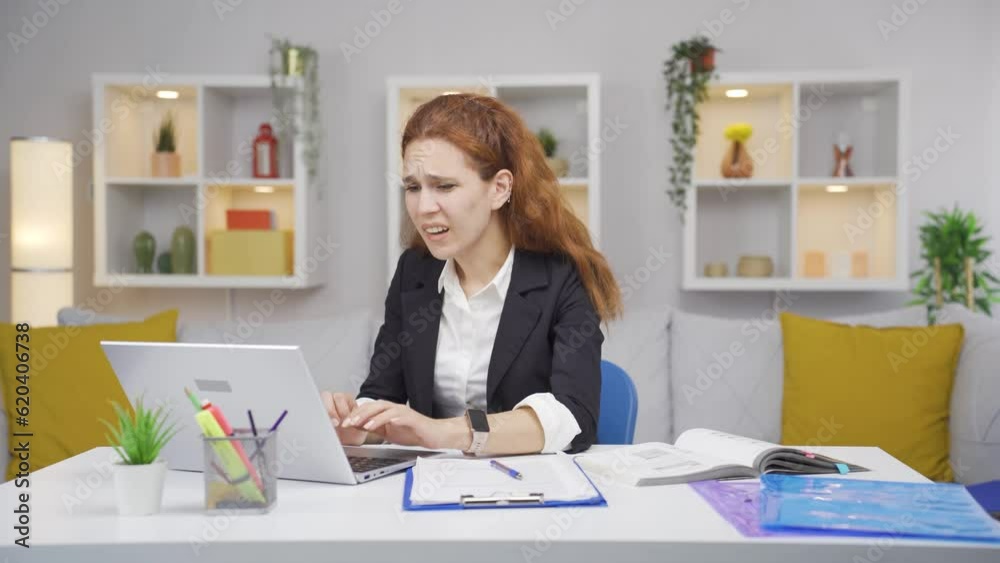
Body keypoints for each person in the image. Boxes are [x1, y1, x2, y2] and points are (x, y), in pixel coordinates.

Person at [321, 92, 622, 456]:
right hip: (434, 488)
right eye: (413, 187)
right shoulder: (413, 272)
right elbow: (384, 392)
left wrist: (442, 432)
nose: (424, 207)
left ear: (499, 188)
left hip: (535, 490)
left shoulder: (563, 276)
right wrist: (357, 425)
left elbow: (573, 417)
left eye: (444, 186)